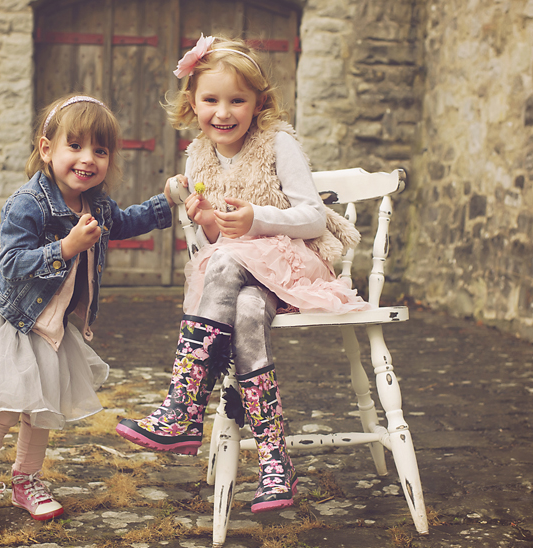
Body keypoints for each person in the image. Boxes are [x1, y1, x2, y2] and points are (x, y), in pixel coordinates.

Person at [0, 94, 179, 540]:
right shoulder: (28, 202)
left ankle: (25, 480)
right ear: (47, 149)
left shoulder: (97, 206)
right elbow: (10, 262)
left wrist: (167, 203)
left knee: (42, 408)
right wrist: (64, 248)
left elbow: (123, 223)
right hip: (9, 318)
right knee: (4, 408)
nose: (88, 160)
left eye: (100, 151)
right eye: (76, 146)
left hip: (50, 324)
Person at [115, 35, 370, 513]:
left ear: (258, 103)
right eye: (210, 100)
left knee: (231, 264)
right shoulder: (198, 156)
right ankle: (276, 462)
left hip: (291, 264)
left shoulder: (278, 144)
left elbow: (314, 217)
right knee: (247, 309)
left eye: (237, 100)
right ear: (192, 104)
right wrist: (211, 222)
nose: (223, 112)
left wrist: (256, 218)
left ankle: (184, 405)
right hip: (239, 278)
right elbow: (218, 244)